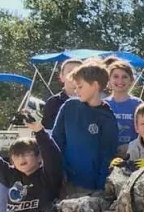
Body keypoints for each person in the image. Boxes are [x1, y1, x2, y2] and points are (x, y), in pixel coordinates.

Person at [51, 61, 119, 194]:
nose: (76, 91)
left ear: (94, 85)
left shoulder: (107, 117)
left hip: (91, 187)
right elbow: (56, 140)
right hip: (65, 182)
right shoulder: (69, 106)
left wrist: (100, 188)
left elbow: (108, 156)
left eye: (80, 87)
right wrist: (60, 171)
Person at [105, 60, 140, 154]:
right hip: (108, 155)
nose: (120, 81)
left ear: (131, 80)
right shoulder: (103, 104)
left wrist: (130, 146)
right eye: (115, 76)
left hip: (133, 154)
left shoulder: (138, 104)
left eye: (124, 77)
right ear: (109, 80)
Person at [42, 58, 82, 131]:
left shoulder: (92, 101)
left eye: (78, 72)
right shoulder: (53, 102)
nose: (74, 76)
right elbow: (48, 132)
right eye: (70, 72)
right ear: (62, 77)